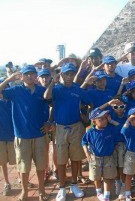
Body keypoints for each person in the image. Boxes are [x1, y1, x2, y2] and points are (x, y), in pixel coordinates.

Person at [0, 65, 49, 201]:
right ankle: (24, 191)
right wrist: (9, 78)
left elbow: (53, 106)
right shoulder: (15, 91)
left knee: (40, 166)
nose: (30, 76)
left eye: (32, 74)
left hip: (39, 135)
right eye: (27, 74)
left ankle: (41, 190)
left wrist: (50, 123)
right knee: (23, 167)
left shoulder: (42, 91)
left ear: (36, 76)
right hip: (22, 136)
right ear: (22, 76)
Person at [44, 63, 92, 201]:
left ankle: (75, 184)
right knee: (61, 160)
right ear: (62, 75)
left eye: (72, 73)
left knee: (76, 158)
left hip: (76, 127)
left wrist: (86, 116)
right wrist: (53, 81)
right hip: (60, 128)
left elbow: (89, 102)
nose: (69, 76)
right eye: (67, 74)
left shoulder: (78, 89)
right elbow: (46, 97)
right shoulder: (56, 89)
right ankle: (62, 188)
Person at [82, 107, 118, 201]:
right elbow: (84, 142)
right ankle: (98, 192)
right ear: (94, 122)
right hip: (95, 158)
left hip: (108, 158)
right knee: (96, 177)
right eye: (100, 119)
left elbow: (120, 127)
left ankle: (107, 194)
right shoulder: (90, 132)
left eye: (105, 118)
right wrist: (87, 152)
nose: (104, 121)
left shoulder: (111, 129)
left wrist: (111, 121)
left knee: (107, 177)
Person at [0, 78, 15, 196]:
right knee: (3, 162)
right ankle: (7, 182)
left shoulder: (12, 101)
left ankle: (21, 179)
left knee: (19, 160)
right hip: (1, 136)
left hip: (13, 135)